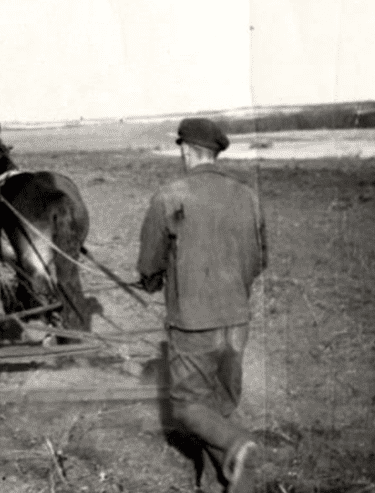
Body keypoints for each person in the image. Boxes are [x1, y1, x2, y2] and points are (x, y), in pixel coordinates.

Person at [136, 118, 268, 493]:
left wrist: (151, 281)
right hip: (237, 322)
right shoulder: (247, 195)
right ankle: (227, 485)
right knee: (221, 405)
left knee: (187, 407)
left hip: (194, 326)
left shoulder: (170, 196)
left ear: (186, 150)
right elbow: (260, 260)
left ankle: (238, 444)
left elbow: (149, 264)